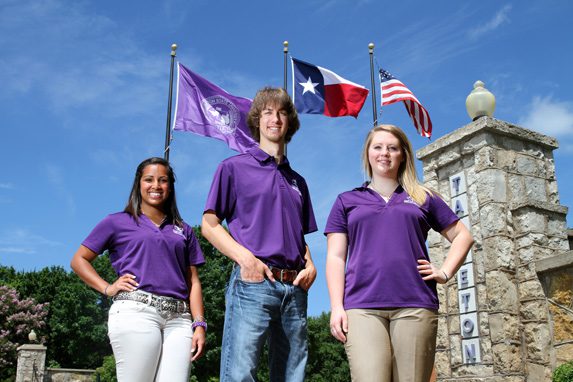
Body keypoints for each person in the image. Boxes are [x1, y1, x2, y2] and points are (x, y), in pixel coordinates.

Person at [325, 125, 474, 382]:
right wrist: (337, 306)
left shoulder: (422, 197)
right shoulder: (346, 201)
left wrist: (445, 272)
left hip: (415, 304)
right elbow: (336, 257)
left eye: (393, 148)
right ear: (368, 153)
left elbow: (463, 236)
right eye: (378, 147)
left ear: (403, 154)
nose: (385, 153)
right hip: (362, 307)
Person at [201, 87, 317, 382]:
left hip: (294, 291)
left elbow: (297, 235)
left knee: (293, 376)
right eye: (267, 112)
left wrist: (311, 264)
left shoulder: (298, 181)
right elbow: (210, 224)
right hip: (253, 285)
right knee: (241, 375)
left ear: (289, 121)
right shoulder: (233, 168)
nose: (274, 118)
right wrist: (246, 260)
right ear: (257, 121)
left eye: (281, 112)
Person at [71, 157, 206, 382]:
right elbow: (79, 260)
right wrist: (107, 288)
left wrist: (199, 324)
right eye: (149, 180)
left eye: (163, 180)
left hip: (179, 319)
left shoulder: (184, 230)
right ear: (139, 184)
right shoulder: (117, 221)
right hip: (136, 312)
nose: (156, 186)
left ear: (170, 187)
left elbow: (193, 282)